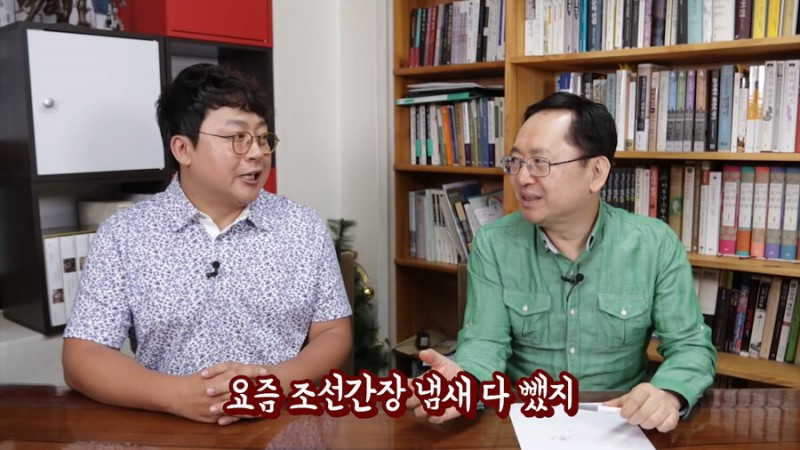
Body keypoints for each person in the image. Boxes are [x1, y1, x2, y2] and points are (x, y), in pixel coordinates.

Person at [62, 63, 352, 426]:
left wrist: (273, 384)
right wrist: (176, 396)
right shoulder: (124, 235)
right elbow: (83, 355)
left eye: (262, 138)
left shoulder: (302, 226)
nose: (257, 153)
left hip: (283, 423)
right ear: (183, 149)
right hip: (170, 428)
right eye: (237, 138)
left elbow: (333, 332)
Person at [408, 92, 716, 432]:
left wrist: (668, 393)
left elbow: (690, 347)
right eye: (516, 162)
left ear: (596, 172)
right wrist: (466, 380)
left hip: (620, 424)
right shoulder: (494, 244)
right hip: (524, 422)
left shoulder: (654, 244)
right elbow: (485, 342)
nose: (523, 178)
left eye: (540, 163)